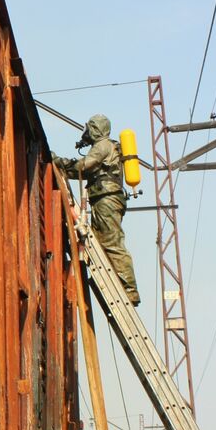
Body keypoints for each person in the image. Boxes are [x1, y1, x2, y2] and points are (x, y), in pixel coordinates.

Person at [55, 114, 140, 305]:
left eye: (89, 128)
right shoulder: (107, 146)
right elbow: (83, 171)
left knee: (111, 242)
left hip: (106, 199)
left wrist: (58, 161)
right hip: (105, 199)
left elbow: (84, 166)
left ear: (95, 129)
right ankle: (120, 285)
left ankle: (129, 289)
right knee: (103, 242)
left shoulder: (102, 145)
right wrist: (62, 166)